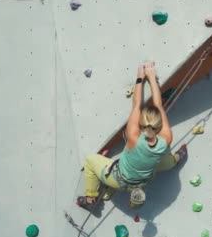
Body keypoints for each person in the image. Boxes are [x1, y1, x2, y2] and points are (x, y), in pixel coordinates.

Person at [77, 62, 187, 210]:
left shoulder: (133, 136)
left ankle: (91, 198)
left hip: (118, 180)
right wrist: (152, 77)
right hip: (142, 182)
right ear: (159, 125)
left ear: (141, 124)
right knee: (167, 161)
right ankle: (177, 158)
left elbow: (136, 104)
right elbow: (158, 105)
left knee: (90, 160)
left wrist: (140, 77)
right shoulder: (167, 138)